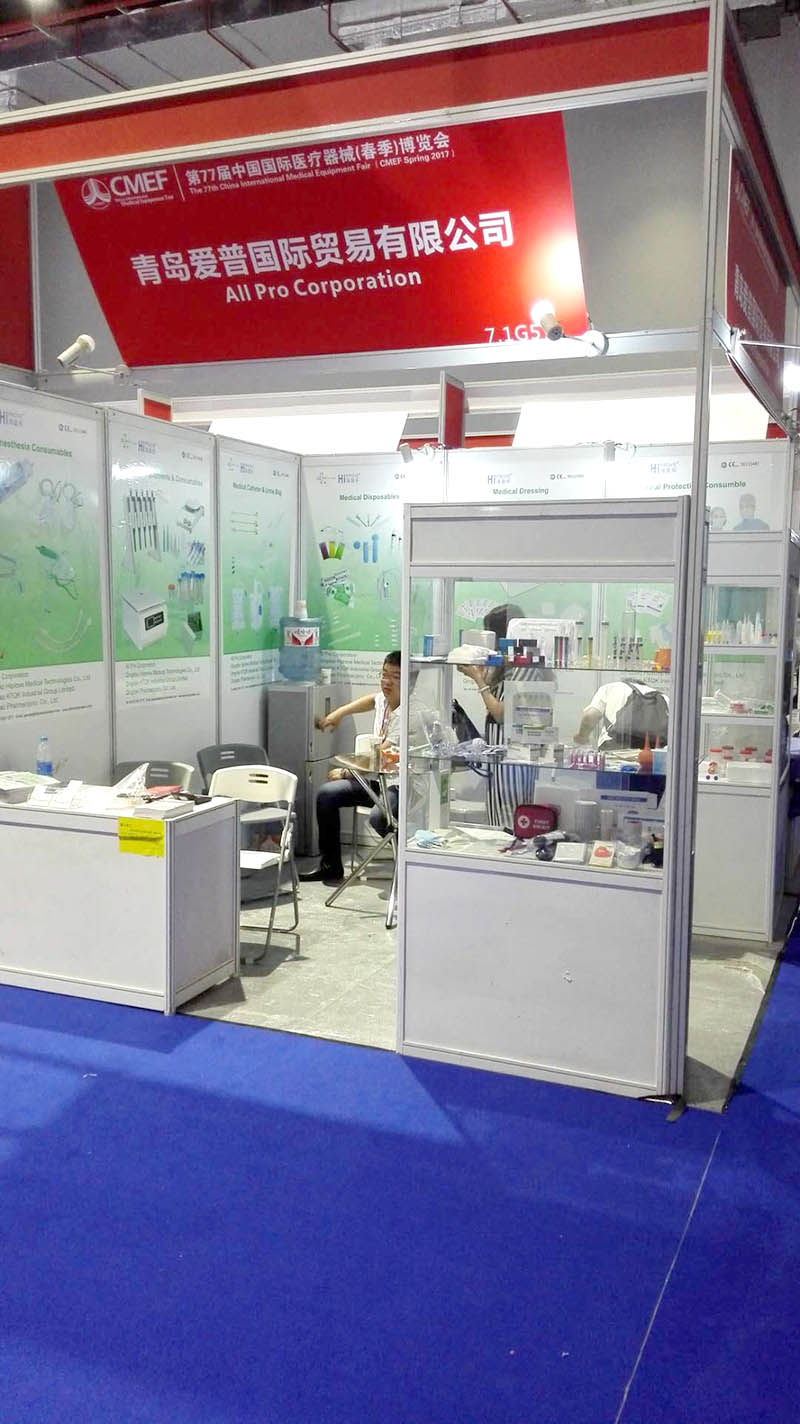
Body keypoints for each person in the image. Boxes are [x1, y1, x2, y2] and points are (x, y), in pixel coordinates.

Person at [299, 651, 404, 884]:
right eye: (384, 674)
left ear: (408, 679)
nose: (387, 681)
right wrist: (338, 714)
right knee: (327, 795)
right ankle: (331, 866)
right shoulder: (384, 700)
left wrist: (347, 772)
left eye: (395, 677)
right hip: (375, 781)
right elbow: (371, 700)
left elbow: (379, 756)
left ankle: (410, 863)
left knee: (380, 818)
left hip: (398, 786)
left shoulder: (408, 713)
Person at [458, 603, 554, 829]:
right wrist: (481, 671)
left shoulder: (525, 664)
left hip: (515, 758)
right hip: (501, 756)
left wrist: (478, 680)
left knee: (512, 820)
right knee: (498, 819)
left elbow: (503, 713)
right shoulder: (509, 662)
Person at [574, 679, 669, 750]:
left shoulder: (612, 688)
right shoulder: (663, 697)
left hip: (613, 748)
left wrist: (582, 737)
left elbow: (590, 717)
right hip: (651, 754)